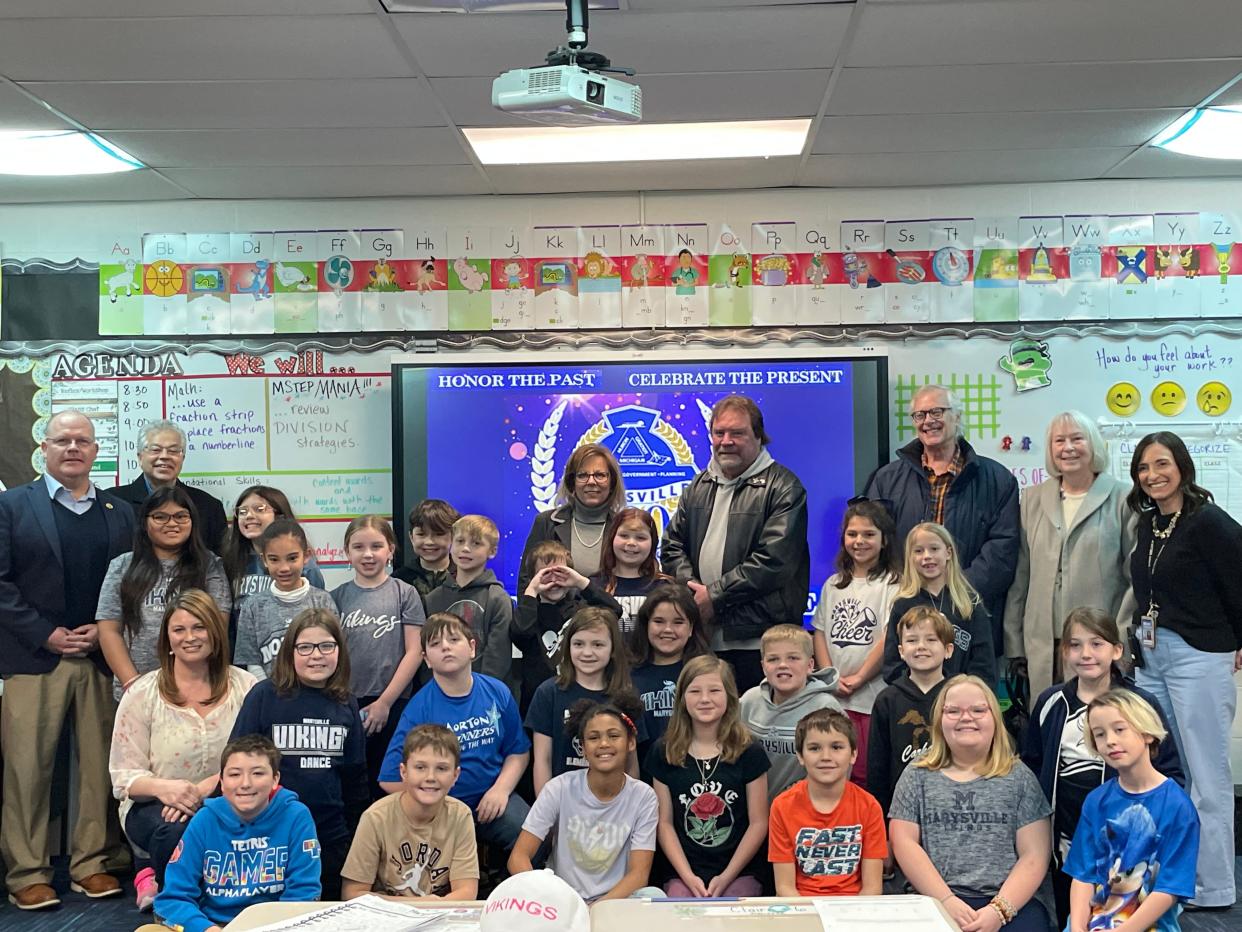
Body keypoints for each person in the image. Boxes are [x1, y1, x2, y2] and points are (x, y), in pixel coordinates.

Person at [0, 410, 135, 910]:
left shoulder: (119, 512)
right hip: (34, 658)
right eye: (63, 440)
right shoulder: (11, 506)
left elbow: (129, 584)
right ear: (44, 449)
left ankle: (91, 863)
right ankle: (27, 872)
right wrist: (46, 634)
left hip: (101, 658)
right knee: (27, 770)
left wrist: (102, 634)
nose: (73, 447)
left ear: (96, 451)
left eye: (83, 440)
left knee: (100, 768)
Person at [1125, 430, 1242, 909]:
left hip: (1199, 657)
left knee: (1206, 773)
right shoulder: (1149, 524)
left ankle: (1213, 886)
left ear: (1182, 467)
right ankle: (1172, 876)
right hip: (1152, 658)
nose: (1152, 476)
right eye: (1143, 468)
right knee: (1164, 770)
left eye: (1162, 464)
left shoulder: (1208, 521)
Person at [1022, 607, 1183, 925]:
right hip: (1067, 846)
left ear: (1117, 650)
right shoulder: (1051, 703)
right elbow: (1031, 767)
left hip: (1129, 851)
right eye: (1075, 645)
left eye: (1096, 644)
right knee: (1075, 919)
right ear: (1064, 651)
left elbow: (1171, 773)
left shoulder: (1141, 704)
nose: (1086, 654)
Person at [109, 589, 256, 910]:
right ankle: (174, 901)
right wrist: (169, 790)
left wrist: (205, 790)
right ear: (167, 639)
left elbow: (261, 757)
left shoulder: (247, 688)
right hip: (156, 804)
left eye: (199, 627)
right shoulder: (142, 694)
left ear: (215, 634)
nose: (189, 637)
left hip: (230, 797)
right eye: (179, 629)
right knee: (176, 829)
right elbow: (124, 778)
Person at [662, 395, 810, 693]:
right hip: (703, 638)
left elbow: (773, 560)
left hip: (759, 642)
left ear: (758, 436)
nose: (726, 441)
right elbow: (671, 545)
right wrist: (694, 594)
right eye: (719, 433)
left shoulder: (784, 487)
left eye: (737, 433)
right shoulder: (699, 485)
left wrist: (713, 596)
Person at [889, 674, 1052, 932]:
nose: (966, 717)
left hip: (1008, 901)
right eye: (953, 711)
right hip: (934, 897)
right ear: (939, 721)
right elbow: (904, 843)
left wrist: (998, 911)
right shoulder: (916, 775)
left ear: (995, 720)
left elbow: (1035, 855)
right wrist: (946, 901)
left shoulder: (1019, 777)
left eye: (978, 710)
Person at [864, 384, 1019, 644]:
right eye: (920, 415)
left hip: (969, 619)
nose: (928, 422)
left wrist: (952, 595)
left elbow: (1002, 551)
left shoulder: (998, 480)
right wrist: (908, 595)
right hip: (904, 619)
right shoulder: (886, 479)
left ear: (956, 417)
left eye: (937, 412)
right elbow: (875, 546)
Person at [229, 609, 368, 900]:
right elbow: (236, 764)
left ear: (339, 651)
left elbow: (355, 777)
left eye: (326, 646)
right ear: (289, 652)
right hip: (269, 835)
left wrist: (354, 838)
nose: (316, 655)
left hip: (330, 837)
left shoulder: (346, 702)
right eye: (305, 647)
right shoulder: (264, 695)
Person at [1004, 412, 1137, 696]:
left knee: (1096, 723)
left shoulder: (1123, 498)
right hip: (1042, 644)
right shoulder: (1032, 499)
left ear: (1094, 445)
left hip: (1097, 643)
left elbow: (1134, 578)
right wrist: (1014, 642)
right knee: (1047, 723)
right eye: (1059, 441)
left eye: (1077, 439)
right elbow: (1022, 574)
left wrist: (1121, 639)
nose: (1068, 447)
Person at [378, 613, 531, 849]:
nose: (446, 648)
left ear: (471, 647)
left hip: (493, 799)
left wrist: (501, 790)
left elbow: (518, 752)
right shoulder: (418, 710)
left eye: (453, 640)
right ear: (426, 659)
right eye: (435, 644)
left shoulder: (497, 692)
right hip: (440, 810)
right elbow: (389, 779)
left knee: (533, 836)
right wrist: (436, 803)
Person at [150, 735, 321, 932]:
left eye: (257, 773)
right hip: (215, 925)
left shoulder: (296, 816)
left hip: (277, 926)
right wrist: (207, 929)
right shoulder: (205, 820)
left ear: (275, 780)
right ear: (221, 783)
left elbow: (304, 893)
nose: (245, 783)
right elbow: (173, 898)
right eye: (234, 774)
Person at [1065, 690, 1200, 932]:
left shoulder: (1178, 807)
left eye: (1120, 729)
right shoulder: (1096, 801)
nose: (1110, 741)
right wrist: (1076, 928)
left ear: (1146, 732)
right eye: (1100, 734)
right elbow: (1083, 876)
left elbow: (1169, 889)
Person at [509, 698, 663, 903]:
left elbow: (638, 875)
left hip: (615, 900)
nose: (604, 744)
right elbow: (518, 858)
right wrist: (546, 897)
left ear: (631, 742)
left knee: (655, 896)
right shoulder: (559, 788)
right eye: (593, 737)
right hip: (561, 901)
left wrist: (596, 909)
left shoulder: (644, 797)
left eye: (614, 735)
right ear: (582, 747)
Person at [648, 655, 770, 897]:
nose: (705, 699)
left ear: (729, 696)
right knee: (680, 905)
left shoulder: (749, 751)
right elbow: (665, 823)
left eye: (714, 690)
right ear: (682, 698)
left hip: (739, 870)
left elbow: (759, 823)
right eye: (695, 691)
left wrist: (726, 877)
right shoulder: (664, 751)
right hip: (683, 871)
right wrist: (687, 876)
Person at [97, 486, 231, 697]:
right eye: (160, 517)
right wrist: (133, 683)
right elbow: (109, 630)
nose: (172, 523)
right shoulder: (122, 565)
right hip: (135, 688)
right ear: (144, 522)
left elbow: (217, 626)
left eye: (181, 516)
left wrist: (191, 683)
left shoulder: (211, 566)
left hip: (197, 687)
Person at [331, 515, 425, 799]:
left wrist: (384, 702)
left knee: (388, 781)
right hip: (346, 703)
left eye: (376, 546)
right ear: (347, 552)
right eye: (358, 547)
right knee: (352, 782)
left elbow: (415, 651)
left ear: (391, 549)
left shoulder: (404, 593)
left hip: (394, 703)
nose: (368, 554)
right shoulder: (335, 597)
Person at [811, 500, 901, 785]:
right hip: (834, 696)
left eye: (869, 534)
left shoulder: (893, 584)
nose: (859, 541)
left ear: (884, 540)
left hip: (870, 698)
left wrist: (861, 677)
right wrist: (831, 678)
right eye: (852, 534)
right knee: (834, 772)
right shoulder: (833, 584)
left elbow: (890, 637)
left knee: (863, 772)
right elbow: (820, 633)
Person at [342, 724, 479, 902]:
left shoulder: (461, 815)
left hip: (439, 917)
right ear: (403, 771)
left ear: (455, 775)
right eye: (420, 767)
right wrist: (419, 904)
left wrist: (432, 908)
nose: (430, 777)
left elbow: (467, 891)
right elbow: (351, 893)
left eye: (442, 768)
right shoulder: (376, 817)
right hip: (386, 919)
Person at [526, 607, 646, 793]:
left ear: (613, 649)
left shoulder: (625, 695)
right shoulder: (548, 693)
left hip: (613, 802)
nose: (587, 653)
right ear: (568, 647)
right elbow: (543, 760)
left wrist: (628, 806)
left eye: (598, 645)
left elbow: (631, 763)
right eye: (579, 644)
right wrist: (546, 810)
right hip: (563, 800)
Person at [769, 709, 887, 897]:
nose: (826, 757)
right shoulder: (782, 806)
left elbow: (872, 888)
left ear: (853, 754)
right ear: (800, 756)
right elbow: (785, 888)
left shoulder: (869, 806)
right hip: (803, 908)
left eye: (837, 747)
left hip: (854, 908)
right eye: (814, 748)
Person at [515, 539, 623, 711]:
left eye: (560, 572)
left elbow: (614, 610)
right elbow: (520, 633)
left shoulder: (580, 610)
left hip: (578, 698)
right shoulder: (529, 613)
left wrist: (581, 582)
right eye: (545, 574)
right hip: (538, 701)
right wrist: (531, 591)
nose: (554, 581)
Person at [881, 523, 994, 686]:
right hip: (915, 700)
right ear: (910, 557)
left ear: (948, 553)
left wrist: (964, 692)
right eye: (919, 551)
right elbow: (892, 665)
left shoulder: (969, 604)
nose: (927, 556)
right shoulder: (903, 605)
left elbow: (984, 666)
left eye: (934, 549)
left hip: (959, 702)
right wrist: (916, 688)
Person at [739, 623, 841, 803]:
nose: (783, 665)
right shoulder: (749, 701)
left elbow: (840, 766)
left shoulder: (825, 707)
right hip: (754, 810)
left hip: (804, 810)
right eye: (773, 659)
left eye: (793, 658)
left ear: (810, 665)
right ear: (763, 666)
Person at [866, 605, 953, 814]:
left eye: (931, 640)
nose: (921, 646)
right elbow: (877, 769)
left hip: (951, 807)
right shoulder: (887, 700)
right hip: (901, 812)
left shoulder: (959, 696)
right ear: (901, 651)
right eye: (912, 640)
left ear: (948, 650)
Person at [517, 443, 626, 597]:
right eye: (582, 475)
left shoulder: (623, 526)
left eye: (600, 475)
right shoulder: (547, 522)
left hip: (608, 617)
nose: (591, 481)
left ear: (612, 482)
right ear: (572, 482)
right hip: (554, 619)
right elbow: (526, 582)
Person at [233, 519, 336, 679]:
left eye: (292, 558)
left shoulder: (323, 601)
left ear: (306, 555)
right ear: (264, 560)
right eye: (274, 559)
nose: (284, 568)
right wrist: (268, 694)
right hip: (271, 697)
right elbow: (251, 662)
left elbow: (334, 653)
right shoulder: (253, 606)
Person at [220, 485, 326, 635]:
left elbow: (318, 612)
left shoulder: (304, 566)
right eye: (242, 512)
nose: (249, 515)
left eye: (259, 509)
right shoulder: (230, 562)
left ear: (280, 515)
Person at [113, 419, 228, 554]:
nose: (164, 456)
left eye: (173, 451)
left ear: (182, 458)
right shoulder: (114, 503)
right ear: (140, 457)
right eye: (156, 450)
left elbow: (219, 565)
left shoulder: (209, 506)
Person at [627, 584, 711, 761]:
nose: (667, 630)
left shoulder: (706, 673)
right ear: (646, 624)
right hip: (643, 775)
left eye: (678, 622)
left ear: (691, 629)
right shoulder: (627, 675)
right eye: (659, 621)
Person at [424, 514, 512, 682]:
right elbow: (428, 650)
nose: (465, 549)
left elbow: (498, 657)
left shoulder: (498, 599)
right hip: (441, 691)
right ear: (451, 545)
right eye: (460, 541)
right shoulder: (433, 599)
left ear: (492, 551)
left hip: (484, 692)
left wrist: (481, 691)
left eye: (476, 543)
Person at [593, 508, 673, 632]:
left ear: (653, 543)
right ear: (612, 538)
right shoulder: (593, 585)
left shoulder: (666, 587)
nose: (631, 543)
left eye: (640, 538)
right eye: (624, 536)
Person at [394, 498, 459, 605]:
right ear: (411, 537)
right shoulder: (398, 581)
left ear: (453, 536)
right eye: (421, 534)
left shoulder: (466, 577)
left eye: (438, 534)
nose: (429, 542)